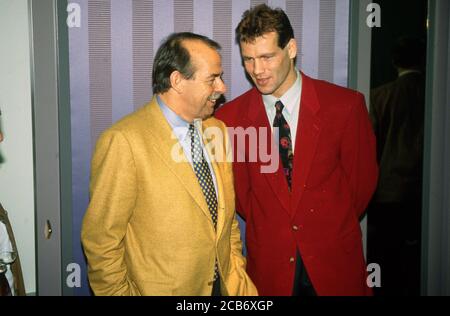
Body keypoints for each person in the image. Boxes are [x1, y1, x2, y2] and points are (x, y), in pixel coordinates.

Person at [215, 4, 378, 296]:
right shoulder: (230, 119)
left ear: (291, 48)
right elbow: (241, 198)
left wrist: (321, 221)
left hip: (335, 264)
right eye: (248, 60)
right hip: (270, 267)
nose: (257, 70)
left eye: (266, 57)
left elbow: (360, 187)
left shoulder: (345, 106)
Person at [81, 32, 257, 296]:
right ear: (177, 81)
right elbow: (101, 241)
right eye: (213, 78)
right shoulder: (124, 141)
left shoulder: (217, 130)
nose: (222, 87)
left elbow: (226, 219)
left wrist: (235, 269)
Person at [367, 37, 426, 296]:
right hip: (423, 189)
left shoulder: (381, 96)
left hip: (388, 190)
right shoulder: (433, 93)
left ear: (394, 62)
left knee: (388, 258)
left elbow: (370, 147)